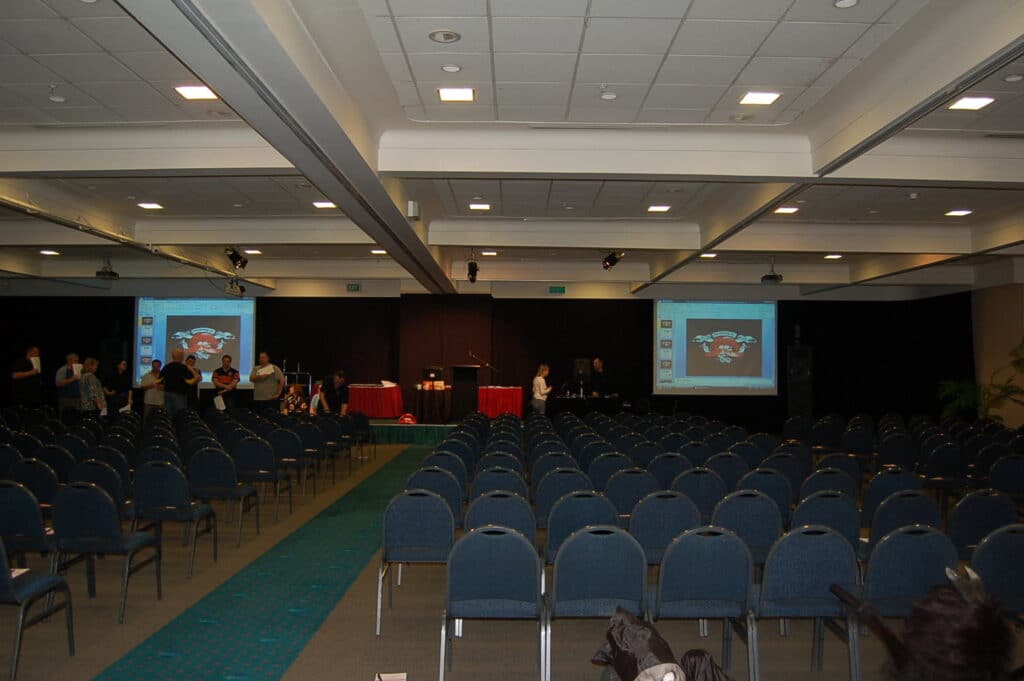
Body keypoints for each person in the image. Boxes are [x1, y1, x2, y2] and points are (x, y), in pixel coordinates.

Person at [160, 348, 193, 417]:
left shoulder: (166, 366)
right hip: (179, 395)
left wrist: (166, 388)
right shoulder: (183, 368)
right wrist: (195, 375)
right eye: (183, 355)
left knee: (168, 415)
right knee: (180, 415)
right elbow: (190, 382)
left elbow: (159, 381)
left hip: (167, 393)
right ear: (180, 356)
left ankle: (169, 427)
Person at [55, 352, 81, 417]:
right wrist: (72, 379)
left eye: (78, 361)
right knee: (66, 417)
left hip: (77, 399)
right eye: (75, 361)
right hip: (66, 399)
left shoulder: (79, 370)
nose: (77, 362)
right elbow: (58, 383)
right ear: (69, 361)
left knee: (77, 417)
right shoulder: (63, 369)